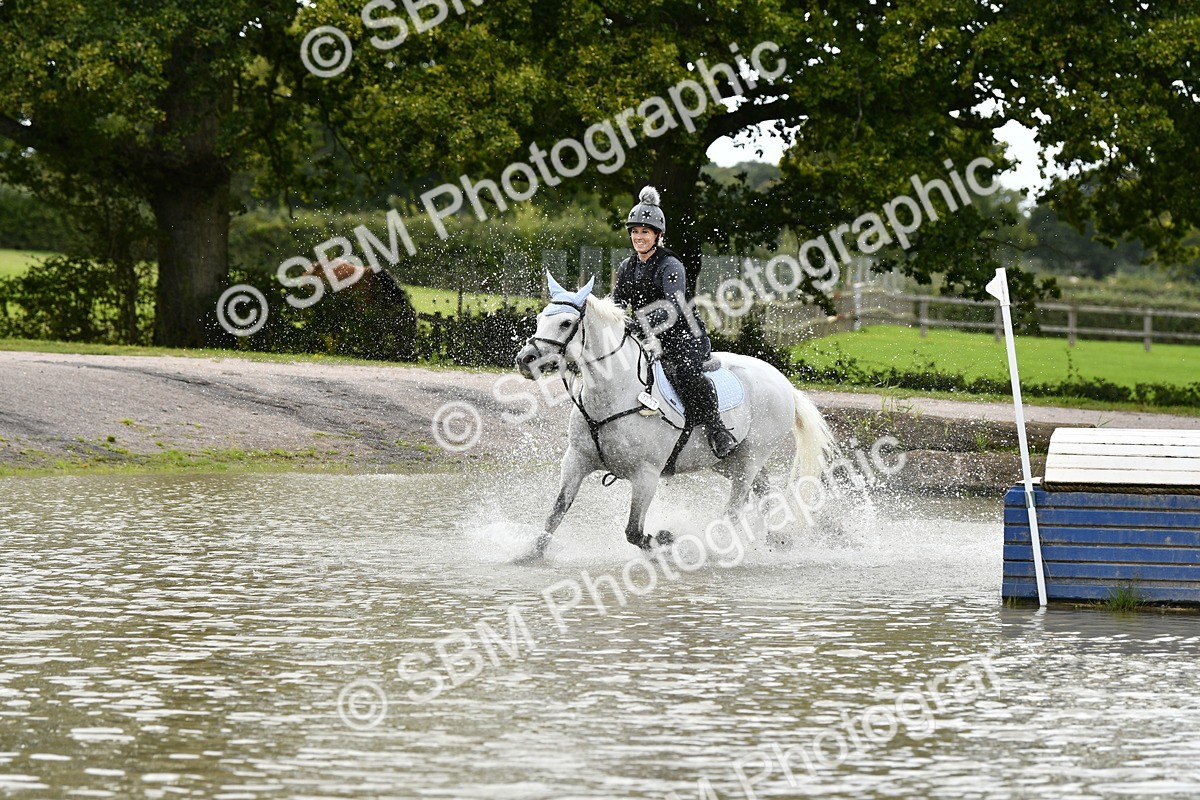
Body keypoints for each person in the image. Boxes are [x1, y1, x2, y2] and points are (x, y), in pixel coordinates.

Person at [611, 186, 738, 459]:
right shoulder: (626, 267)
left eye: (645, 232)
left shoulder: (670, 265)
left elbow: (674, 308)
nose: (638, 237)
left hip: (686, 335)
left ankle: (718, 429)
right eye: (634, 231)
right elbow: (618, 305)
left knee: (685, 371)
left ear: (658, 235)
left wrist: (639, 324)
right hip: (647, 336)